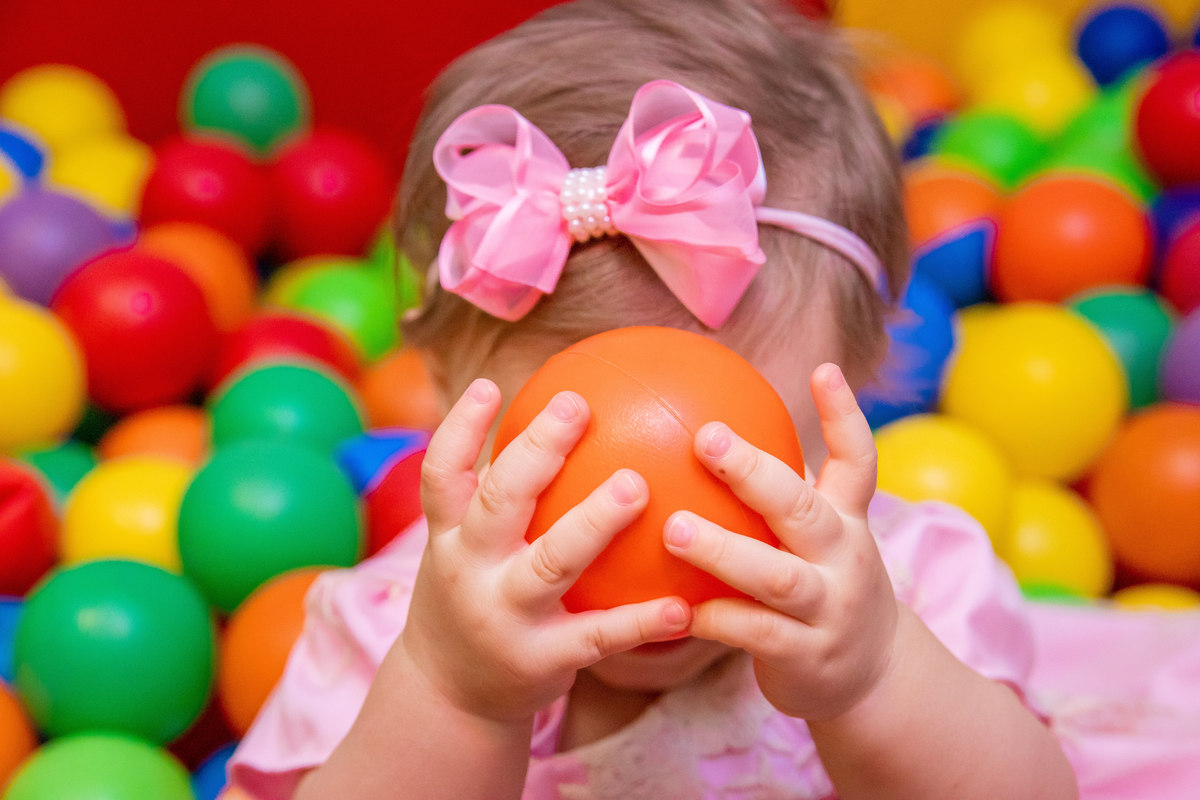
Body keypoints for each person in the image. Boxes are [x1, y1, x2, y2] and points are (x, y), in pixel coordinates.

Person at [227, 1, 1198, 797]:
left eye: (742, 459)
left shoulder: (907, 590)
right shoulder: (397, 627)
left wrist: (871, 679)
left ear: (860, 385)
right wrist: (453, 695)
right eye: (567, 469)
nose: (659, 541)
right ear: (442, 395)